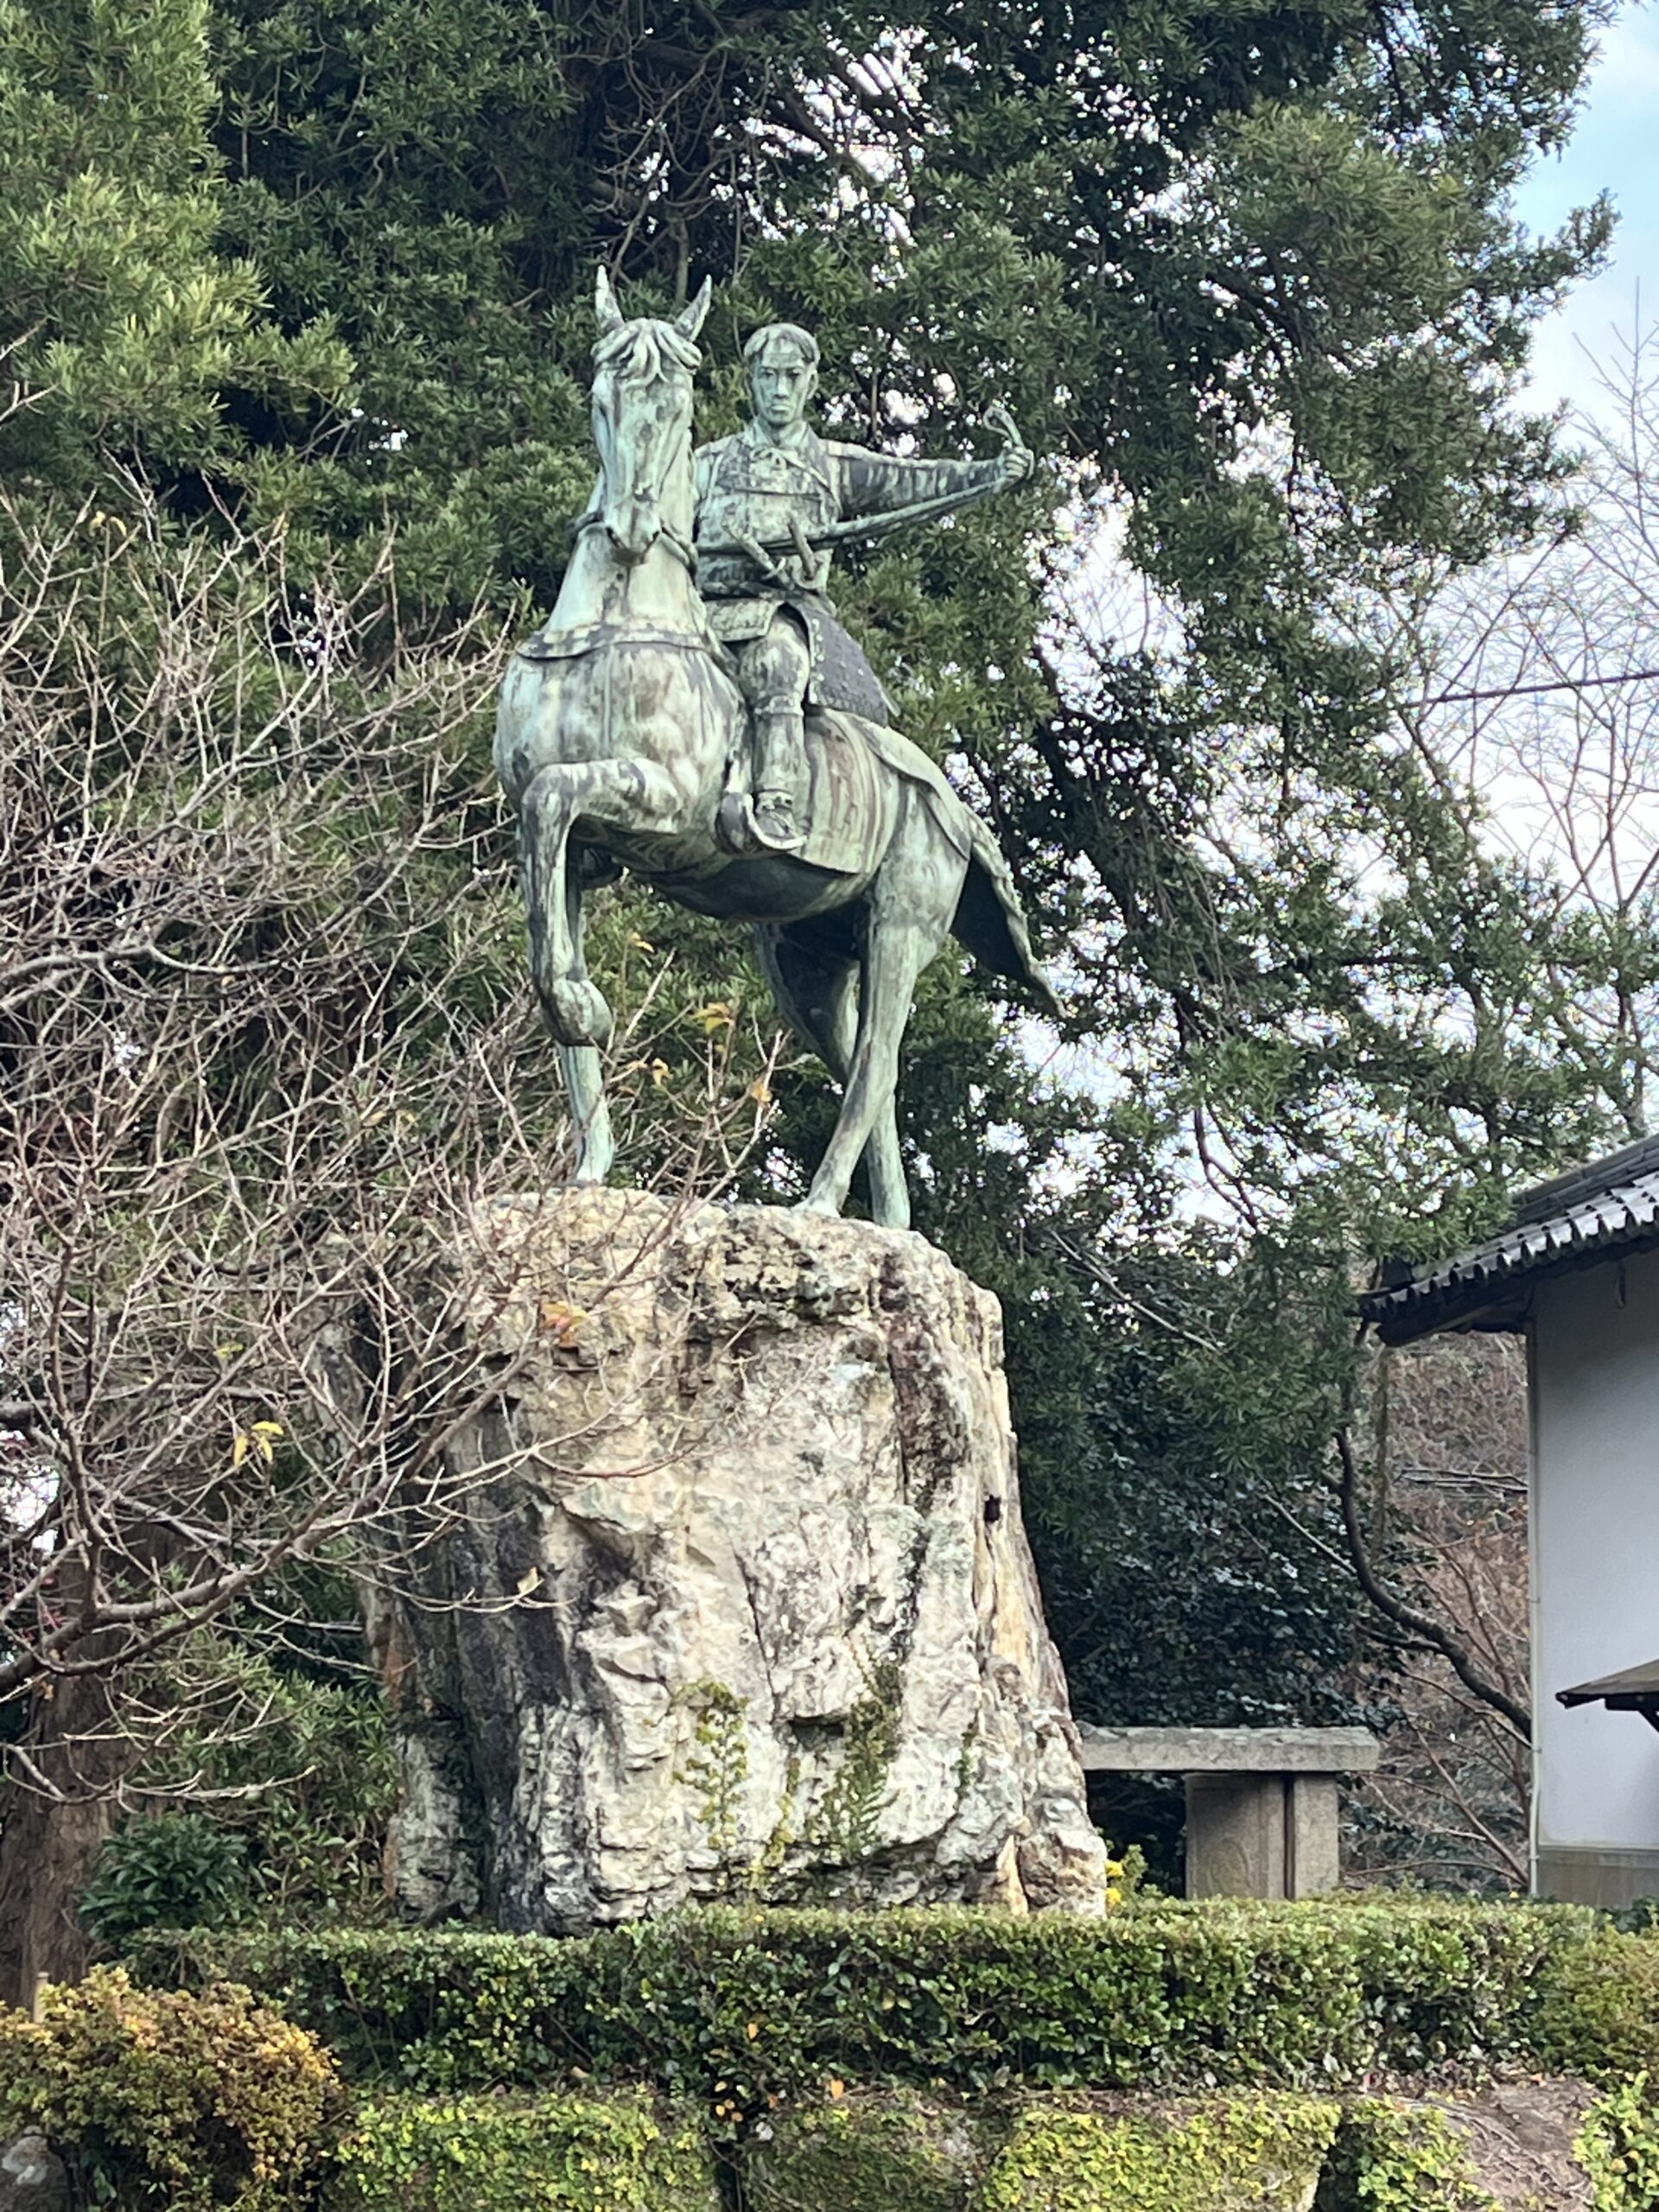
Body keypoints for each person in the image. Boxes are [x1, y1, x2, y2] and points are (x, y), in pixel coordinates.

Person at [693, 323, 1033, 854]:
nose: (779, 390)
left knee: (778, 662)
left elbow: (912, 480)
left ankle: (776, 802)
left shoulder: (833, 465)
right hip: (699, 612)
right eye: (768, 377)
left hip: (783, 616)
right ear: (750, 380)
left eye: (791, 377)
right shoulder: (707, 465)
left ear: (809, 383)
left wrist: (990, 472)